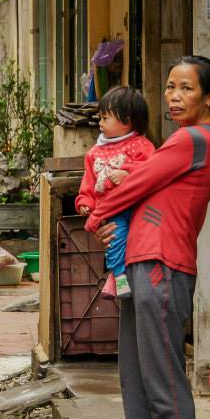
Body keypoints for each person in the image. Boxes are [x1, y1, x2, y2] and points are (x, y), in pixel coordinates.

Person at [83, 55, 210, 419]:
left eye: (186, 88)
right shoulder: (182, 141)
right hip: (135, 261)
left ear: (209, 97)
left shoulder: (195, 139)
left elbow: (135, 183)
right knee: (133, 376)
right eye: (170, 87)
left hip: (162, 264)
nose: (174, 96)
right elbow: (139, 188)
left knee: (162, 377)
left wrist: (96, 216)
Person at [75, 86, 155, 299]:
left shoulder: (142, 145)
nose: (100, 123)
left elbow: (153, 171)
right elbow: (88, 183)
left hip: (139, 208)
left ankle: (116, 278)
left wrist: (128, 173)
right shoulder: (94, 153)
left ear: (127, 120)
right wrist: (85, 201)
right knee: (115, 238)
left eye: (105, 118)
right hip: (113, 211)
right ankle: (119, 276)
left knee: (134, 245)